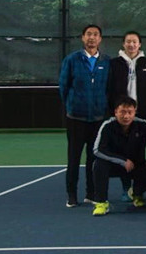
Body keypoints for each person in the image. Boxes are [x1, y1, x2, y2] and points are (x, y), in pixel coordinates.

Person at [59, 24, 111, 208]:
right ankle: (72, 195)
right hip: (76, 119)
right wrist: (72, 106)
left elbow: (108, 88)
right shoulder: (72, 59)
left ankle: (91, 193)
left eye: (95, 34)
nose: (92, 37)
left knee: (94, 159)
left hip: (98, 119)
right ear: (82, 37)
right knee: (73, 159)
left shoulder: (106, 61)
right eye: (88, 34)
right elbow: (63, 87)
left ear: (100, 39)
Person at [91, 96, 146, 216]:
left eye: (130, 112)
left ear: (135, 112)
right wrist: (123, 161)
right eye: (122, 112)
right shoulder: (107, 125)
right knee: (98, 165)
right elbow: (98, 150)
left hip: (138, 166)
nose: (126, 116)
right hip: (116, 165)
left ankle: (137, 194)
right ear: (115, 112)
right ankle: (101, 203)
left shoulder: (142, 125)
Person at [107, 30, 146, 202]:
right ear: (123, 44)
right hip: (122, 117)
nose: (131, 44)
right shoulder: (114, 63)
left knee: (139, 155)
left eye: (135, 41)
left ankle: (138, 190)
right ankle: (125, 187)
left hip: (141, 116)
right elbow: (110, 89)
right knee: (124, 153)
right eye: (128, 41)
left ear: (139, 44)